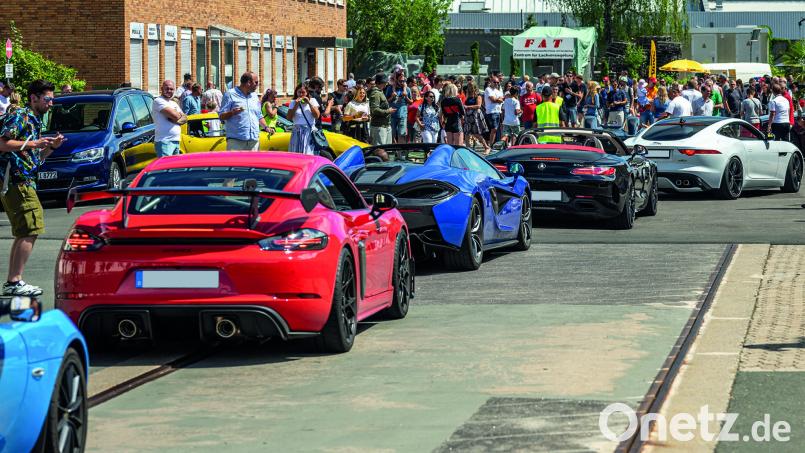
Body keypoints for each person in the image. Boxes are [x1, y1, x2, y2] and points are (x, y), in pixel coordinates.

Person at [0, 79, 66, 296]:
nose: (51, 103)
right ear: (34, 98)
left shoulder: (36, 120)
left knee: (25, 231)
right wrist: (32, 143)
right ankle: (14, 281)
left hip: (25, 179)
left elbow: (35, 159)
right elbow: (2, 143)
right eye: (47, 99)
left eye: (52, 100)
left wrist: (51, 148)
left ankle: (13, 281)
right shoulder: (20, 116)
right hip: (16, 181)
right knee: (31, 228)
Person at [219, 72, 270, 151]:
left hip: (254, 141)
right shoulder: (230, 94)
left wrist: (266, 127)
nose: (257, 85)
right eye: (256, 82)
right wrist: (232, 113)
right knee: (236, 164)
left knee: (254, 164)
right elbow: (221, 116)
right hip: (236, 142)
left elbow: (259, 115)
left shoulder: (254, 96)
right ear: (248, 83)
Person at [152, 80, 186, 157]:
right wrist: (176, 116)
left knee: (174, 168)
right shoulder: (158, 101)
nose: (169, 91)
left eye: (171, 89)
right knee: (165, 168)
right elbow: (176, 116)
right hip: (164, 141)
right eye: (167, 88)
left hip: (176, 140)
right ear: (161, 89)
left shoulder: (173, 103)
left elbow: (185, 119)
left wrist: (174, 117)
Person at [287, 83, 321, 154]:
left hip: (309, 131)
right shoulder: (293, 102)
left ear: (307, 93)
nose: (301, 94)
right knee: (296, 153)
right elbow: (289, 117)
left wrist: (309, 103)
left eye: (303, 92)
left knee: (308, 153)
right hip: (297, 131)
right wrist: (296, 105)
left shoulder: (312, 100)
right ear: (296, 92)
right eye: (299, 92)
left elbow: (317, 115)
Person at [368, 73, 396, 145]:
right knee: (379, 151)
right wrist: (388, 111)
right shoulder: (376, 93)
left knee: (386, 150)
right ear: (382, 82)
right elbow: (374, 110)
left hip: (385, 125)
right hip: (379, 127)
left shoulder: (380, 92)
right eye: (385, 82)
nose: (386, 84)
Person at [385, 71, 411, 143]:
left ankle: (400, 152)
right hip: (392, 115)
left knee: (402, 134)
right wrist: (392, 96)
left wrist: (406, 96)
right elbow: (386, 101)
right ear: (396, 80)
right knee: (392, 134)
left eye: (403, 81)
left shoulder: (407, 89)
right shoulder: (390, 88)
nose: (402, 82)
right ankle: (394, 150)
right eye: (400, 81)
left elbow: (411, 102)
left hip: (403, 115)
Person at [463, 81, 490, 153]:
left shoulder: (478, 95)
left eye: (471, 86)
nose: (469, 87)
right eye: (468, 86)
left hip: (475, 116)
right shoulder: (468, 95)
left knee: (476, 133)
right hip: (468, 116)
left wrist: (467, 107)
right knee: (467, 134)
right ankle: (468, 150)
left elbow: (478, 106)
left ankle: (486, 147)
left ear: (474, 87)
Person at [484, 76, 504, 143]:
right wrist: (498, 99)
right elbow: (493, 100)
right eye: (494, 82)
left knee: (495, 129)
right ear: (490, 82)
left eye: (497, 82)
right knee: (493, 129)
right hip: (491, 112)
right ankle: (490, 145)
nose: (496, 83)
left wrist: (497, 99)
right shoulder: (488, 89)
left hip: (498, 111)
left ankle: (492, 144)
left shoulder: (498, 91)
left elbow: (502, 99)